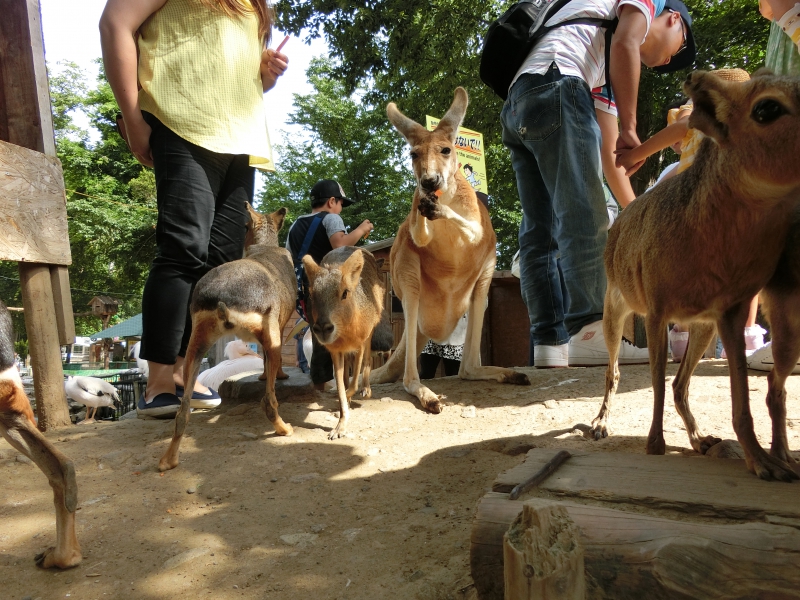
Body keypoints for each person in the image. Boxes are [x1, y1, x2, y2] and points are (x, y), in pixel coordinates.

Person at [100, 0, 289, 417]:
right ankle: (159, 381)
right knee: (183, 248)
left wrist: (264, 77)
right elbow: (115, 22)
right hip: (181, 119)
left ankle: (188, 373)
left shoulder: (255, 6)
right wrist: (133, 117)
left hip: (240, 139)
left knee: (220, 264)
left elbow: (237, 78)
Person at [501, 0, 696, 368]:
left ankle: (550, 341)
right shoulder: (644, 9)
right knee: (585, 215)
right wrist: (631, 127)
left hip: (520, 98)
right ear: (672, 19)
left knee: (539, 229)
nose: (671, 61)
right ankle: (591, 330)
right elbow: (626, 43)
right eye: (680, 47)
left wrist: (638, 214)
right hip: (559, 81)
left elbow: (610, 158)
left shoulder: (599, 63)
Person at [286, 179, 374, 390]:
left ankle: (321, 383)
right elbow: (340, 244)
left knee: (319, 331)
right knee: (332, 330)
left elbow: (289, 256)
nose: (341, 209)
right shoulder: (331, 218)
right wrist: (362, 229)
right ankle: (334, 383)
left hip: (300, 287)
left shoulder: (296, 224)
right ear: (332, 201)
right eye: (341, 204)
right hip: (324, 285)